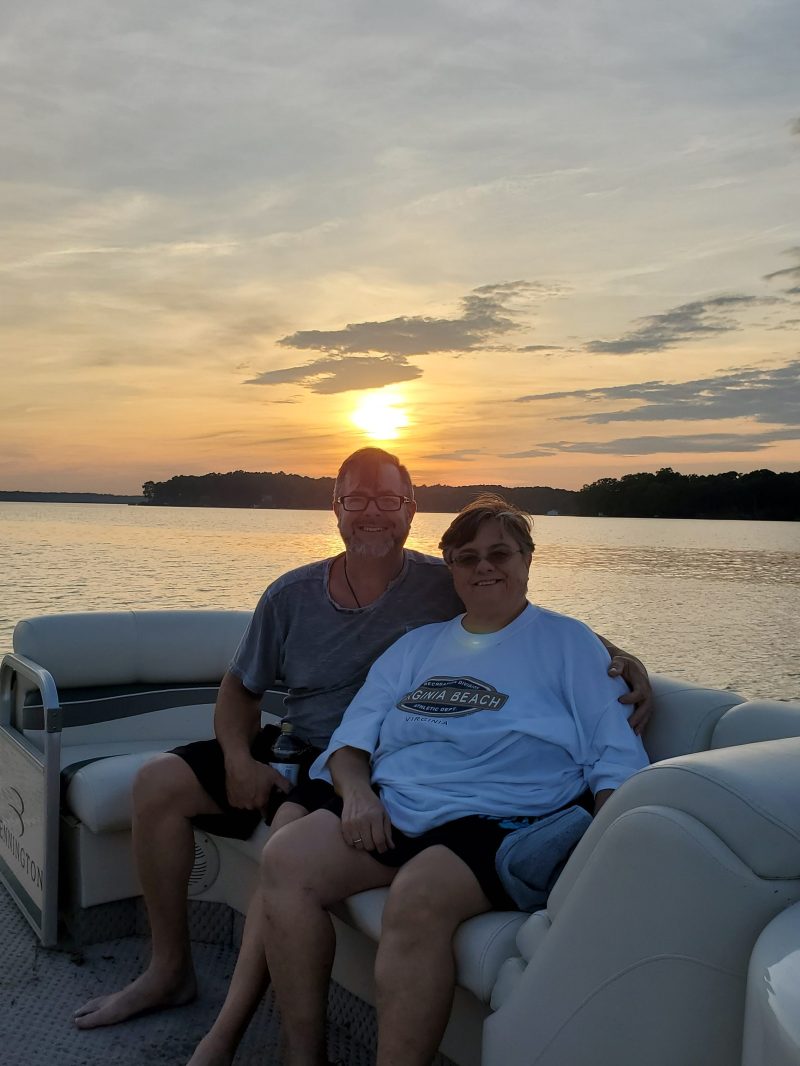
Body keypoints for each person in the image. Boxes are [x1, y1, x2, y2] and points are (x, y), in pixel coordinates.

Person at [73, 448, 651, 1055]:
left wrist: (620, 657)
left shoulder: (467, 596)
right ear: (336, 509)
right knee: (198, 807)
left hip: (452, 795)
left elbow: (534, 631)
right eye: (357, 499)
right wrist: (265, 766)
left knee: (340, 865)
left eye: (388, 500)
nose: (372, 513)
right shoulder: (318, 603)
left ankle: (228, 1032)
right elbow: (261, 698)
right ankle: (197, 989)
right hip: (324, 754)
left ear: (410, 511)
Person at [260, 495, 650, 1066]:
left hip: (505, 817)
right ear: (450, 569)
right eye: (467, 558)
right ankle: (303, 1057)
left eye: (500, 553)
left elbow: (615, 758)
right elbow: (349, 745)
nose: (484, 567)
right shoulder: (415, 646)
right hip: (400, 804)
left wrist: (601, 863)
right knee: (285, 859)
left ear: (528, 560)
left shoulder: (570, 644)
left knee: (418, 896)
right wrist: (360, 794)